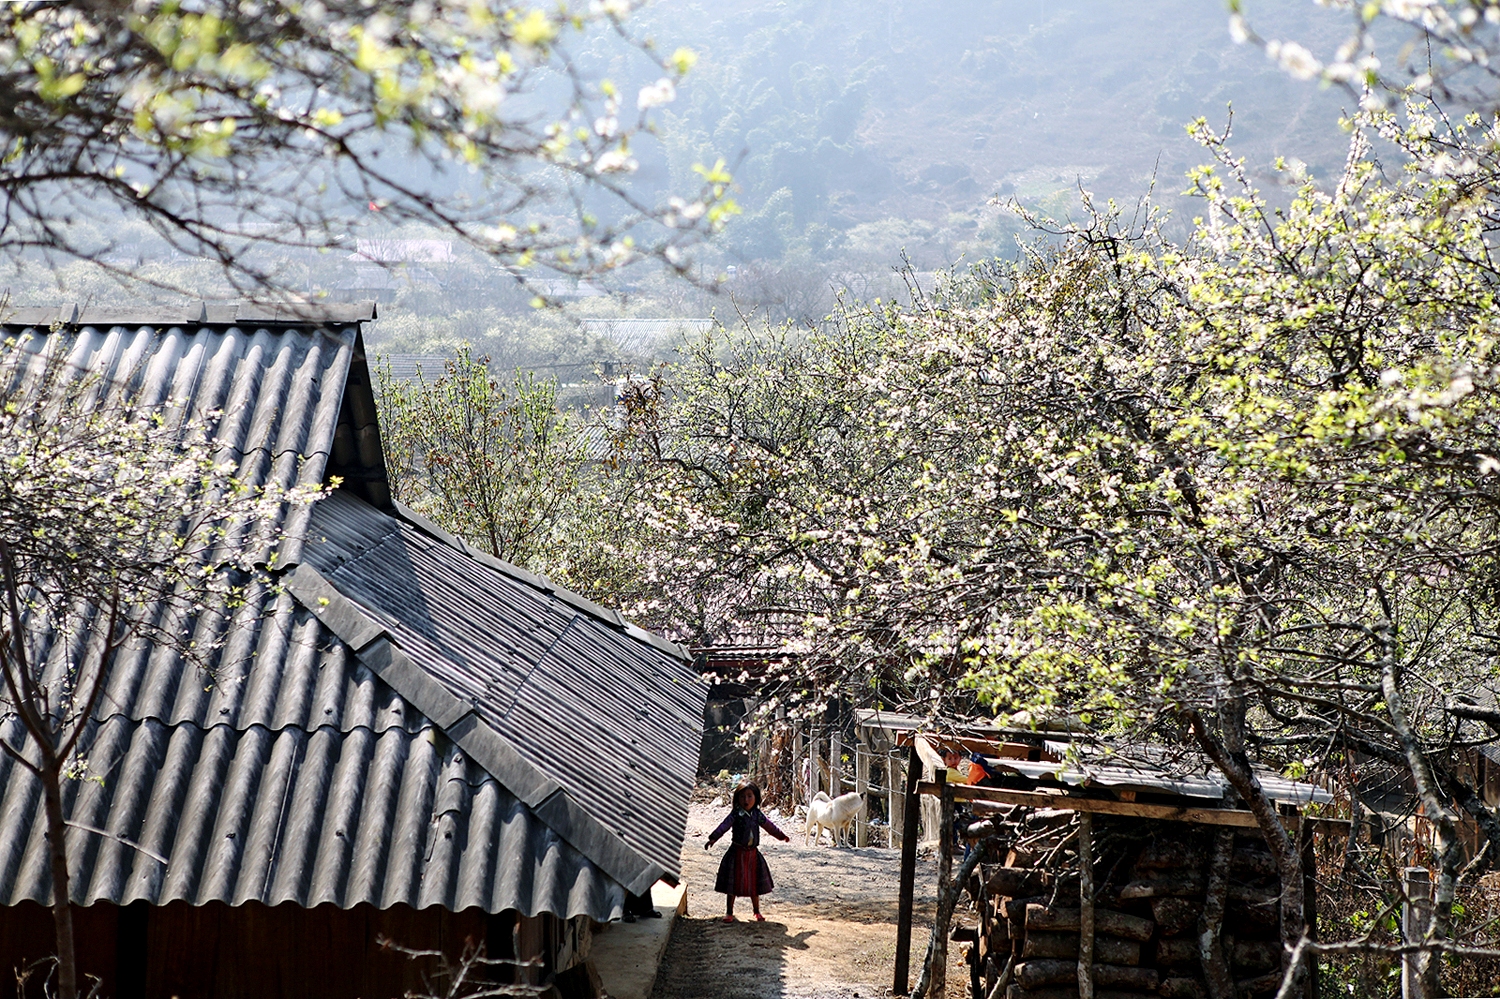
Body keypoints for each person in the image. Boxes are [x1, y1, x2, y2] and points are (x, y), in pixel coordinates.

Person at [704, 782, 790, 923]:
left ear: (756, 798)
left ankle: (756, 911)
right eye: (743, 797)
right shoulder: (736, 814)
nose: (746, 800)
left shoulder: (757, 815)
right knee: (732, 885)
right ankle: (729, 912)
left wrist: (781, 836)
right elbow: (724, 826)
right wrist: (713, 838)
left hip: (752, 854)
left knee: (754, 884)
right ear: (737, 799)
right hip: (736, 853)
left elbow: (769, 826)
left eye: (750, 796)